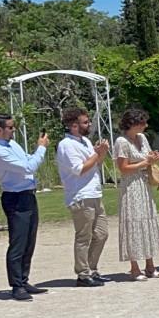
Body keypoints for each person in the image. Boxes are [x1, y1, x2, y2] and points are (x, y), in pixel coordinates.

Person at [55, 107, 111, 286]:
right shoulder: (66, 145)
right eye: (85, 122)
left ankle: (92, 268)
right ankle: (83, 274)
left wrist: (101, 153)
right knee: (84, 237)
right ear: (73, 126)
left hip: (94, 192)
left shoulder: (85, 141)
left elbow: (95, 164)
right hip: (80, 195)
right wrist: (97, 153)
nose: (89, 125)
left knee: (101, 234)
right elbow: (79, 169)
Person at [0, 115, 49, 301]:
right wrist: (41, 147)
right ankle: (16, 285)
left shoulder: (13, 145)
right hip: (15, 198)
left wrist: (36, 152)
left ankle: (24, 279)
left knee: (29, 241)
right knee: (18, 242)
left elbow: (28, 159)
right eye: (10, 127)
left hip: (28, 195)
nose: (13, 130)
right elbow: (29, 167)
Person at [113, 108, 159, 280]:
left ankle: (150, 265)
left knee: (148, 220)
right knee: (133, 222)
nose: (145, 126)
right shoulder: (121, 142)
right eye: (142, 123)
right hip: (131, 185)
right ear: (132, 124)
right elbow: (123, 168)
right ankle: (134, 267)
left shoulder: (142, 138)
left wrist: (153, 158)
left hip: (144, 184)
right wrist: (144, 162)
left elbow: (148, 157)